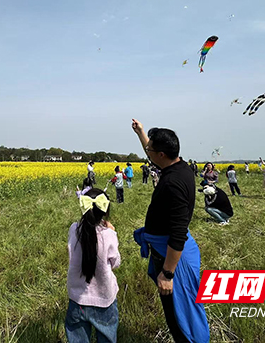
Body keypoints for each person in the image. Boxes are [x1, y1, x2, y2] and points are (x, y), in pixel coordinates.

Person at [130, 119, 209, 343]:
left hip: (173, 259)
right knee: (178, 312)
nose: (148, 151)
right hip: (166, 252)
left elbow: (178, 234)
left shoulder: (173, 183)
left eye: (151, 149)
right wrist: (141, 133)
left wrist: (167, 274)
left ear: (162, 154)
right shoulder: (178, 166)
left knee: (180, 316)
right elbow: (152, 152)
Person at [66, 188, 120, 342]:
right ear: (105, 211)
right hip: (104, 299)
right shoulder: (109, 235)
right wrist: (111, 232)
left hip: (77, 300)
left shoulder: (74, 229)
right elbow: (115, 263)